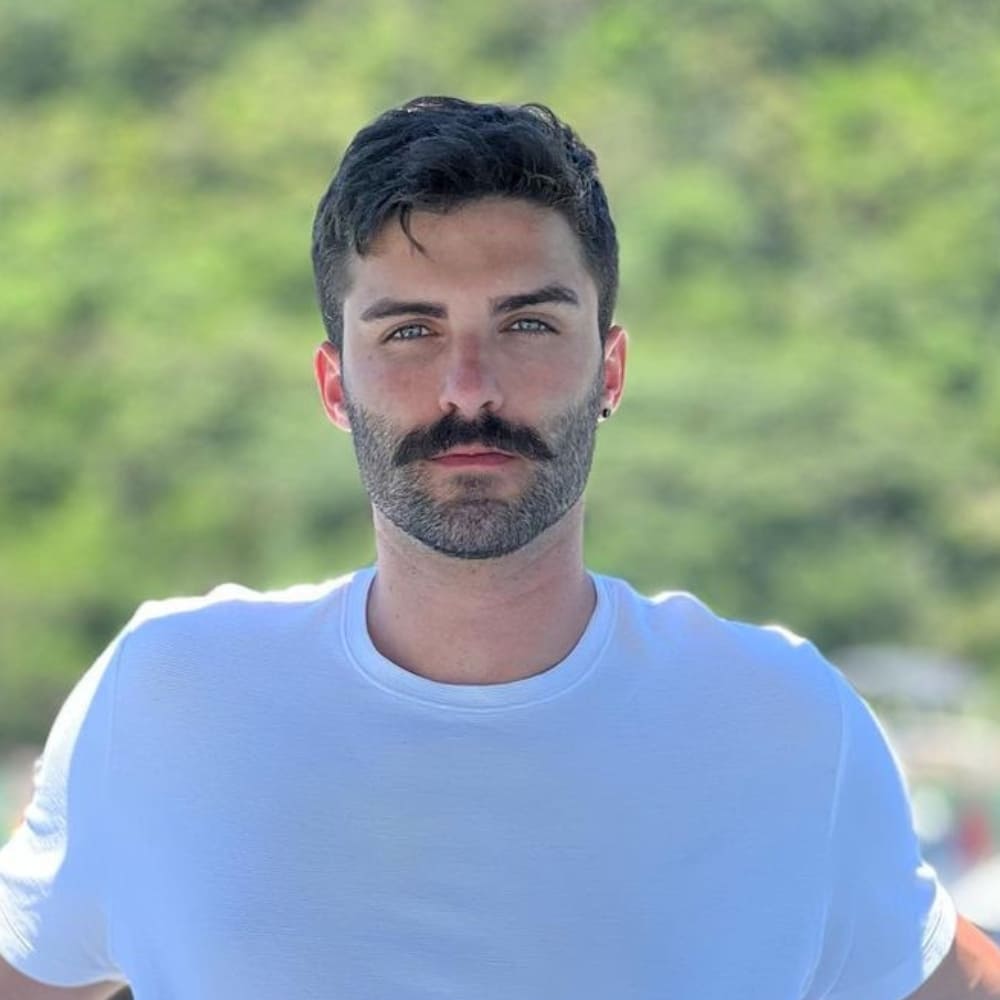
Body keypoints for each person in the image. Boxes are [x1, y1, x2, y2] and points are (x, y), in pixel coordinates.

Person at [0, 96, 997, 1000]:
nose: (467, 387)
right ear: (333, 382)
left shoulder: (783, 718)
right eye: (408, 332)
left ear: (609, 367)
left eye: (526, 323)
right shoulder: (169, 696)